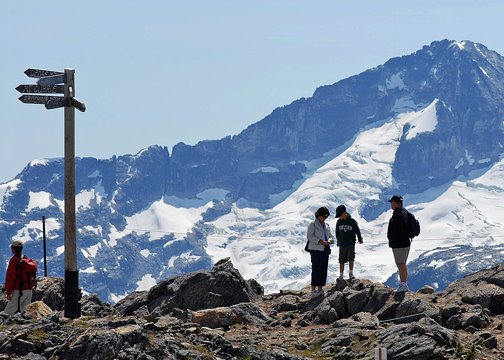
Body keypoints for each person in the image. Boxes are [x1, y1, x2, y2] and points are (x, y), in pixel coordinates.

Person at [306, 206, 334, 297]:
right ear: (318, 215)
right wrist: (319, 241)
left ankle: (320, 288)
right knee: (316, 269)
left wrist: (329, 241)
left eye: (326, 217)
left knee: (323, 269)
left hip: (325, 249)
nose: (324, 218)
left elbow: (331, 236)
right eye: (323, 216)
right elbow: (310, 236)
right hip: (315, 249)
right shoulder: (312, 224)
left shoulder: (327, 226)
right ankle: (313, 290)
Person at [387, 195, 411, 292]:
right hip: (405, 242)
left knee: (401, 264)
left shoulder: (398, 215)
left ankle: (403, 285)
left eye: (391, 203)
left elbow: (397, 230)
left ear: (394, 203)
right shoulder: (405, 212)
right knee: (402, 264)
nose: (391, 205)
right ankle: (403, 284)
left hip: (399, 244)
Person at [4, 240, 34, 315]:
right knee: (26, 313)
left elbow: (10, 277)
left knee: (8, 312)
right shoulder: (26, 258)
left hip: (19, 291)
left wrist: (9, 292)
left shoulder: (14, 260)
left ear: (13, 249)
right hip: (29, 290)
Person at [334, 205, 363, 281]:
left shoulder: (352, 221)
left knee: (351, 258)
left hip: (351, 243)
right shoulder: (339, 222)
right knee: (341, 260)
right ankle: (341, 276)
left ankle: (351, 274)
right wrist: (339, 241)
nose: (340, 217)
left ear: (344, 213)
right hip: (342, 244)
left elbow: (357, 230)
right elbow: (337, 232)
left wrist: (360, 238)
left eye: (340, 215)